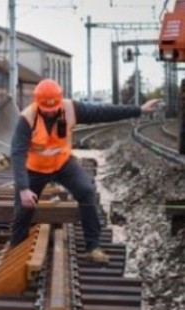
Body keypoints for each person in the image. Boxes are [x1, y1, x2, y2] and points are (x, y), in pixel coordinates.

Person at [11, 79, 159, 263]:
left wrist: (139, 110)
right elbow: (17, 153)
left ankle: (93, 246)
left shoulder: (71, 108)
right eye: (45, 108)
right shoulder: (27, 118)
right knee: (23, 210)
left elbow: (103, 112)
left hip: (62, 163)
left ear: (60, 100)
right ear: (37, 103)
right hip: (34, 168)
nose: (50, 111)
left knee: (86, 192)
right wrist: (24, 188)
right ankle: (16, 248)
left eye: (53, 107)